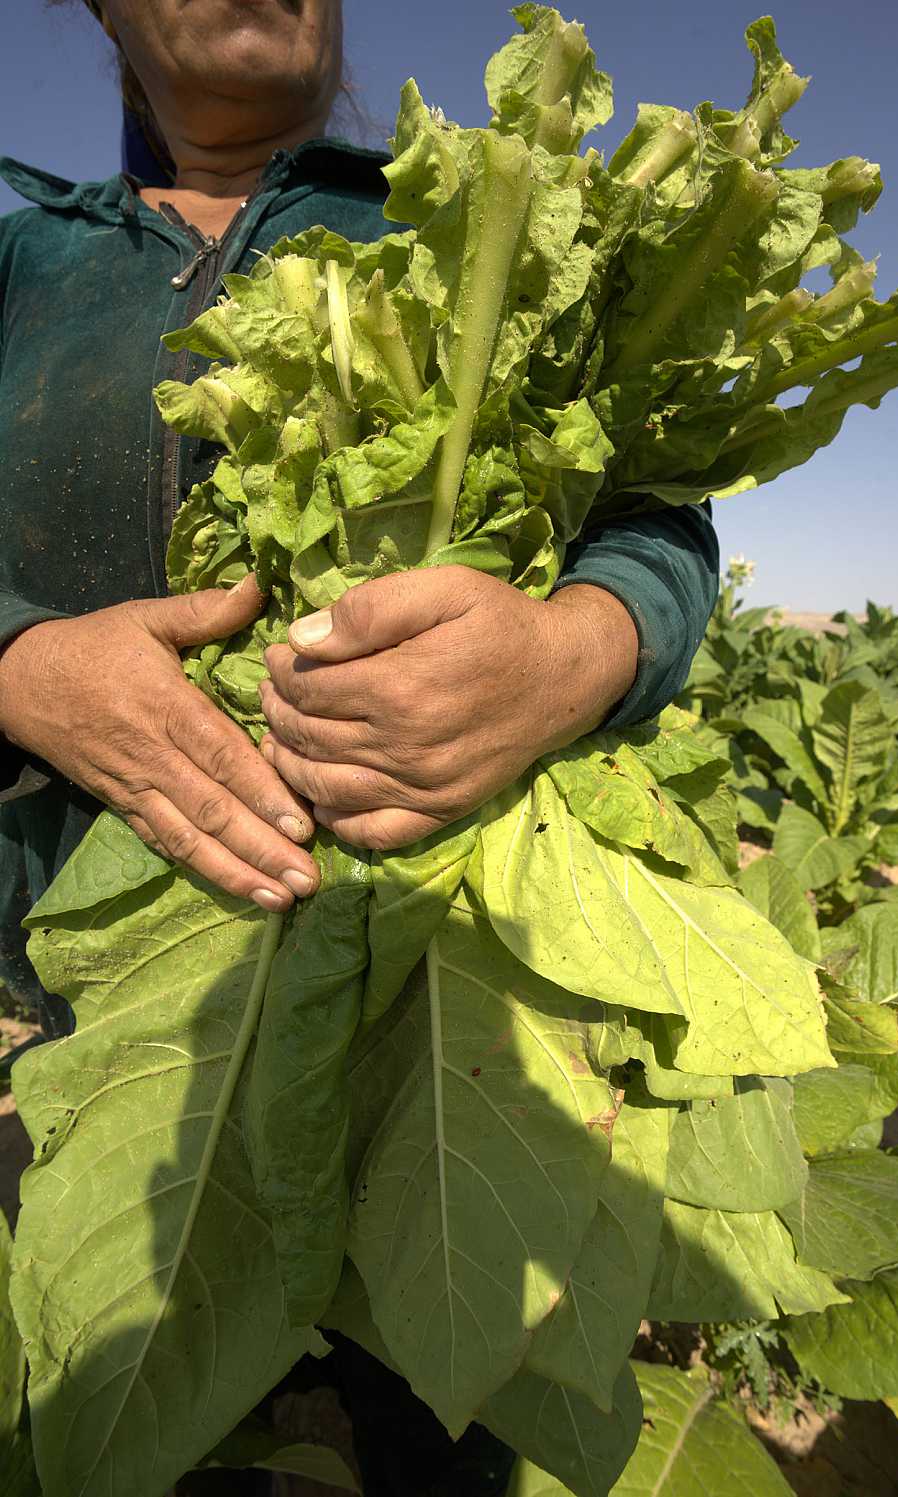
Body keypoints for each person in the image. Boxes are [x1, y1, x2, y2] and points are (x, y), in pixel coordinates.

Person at [0, 2, 719, 1492]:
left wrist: (571, 651)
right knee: (144, 1379)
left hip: (452, 974)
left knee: (442, 1392)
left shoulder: (466, 220)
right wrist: (17, 659)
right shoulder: (25, 258)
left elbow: (658, 521)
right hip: (111, 980)